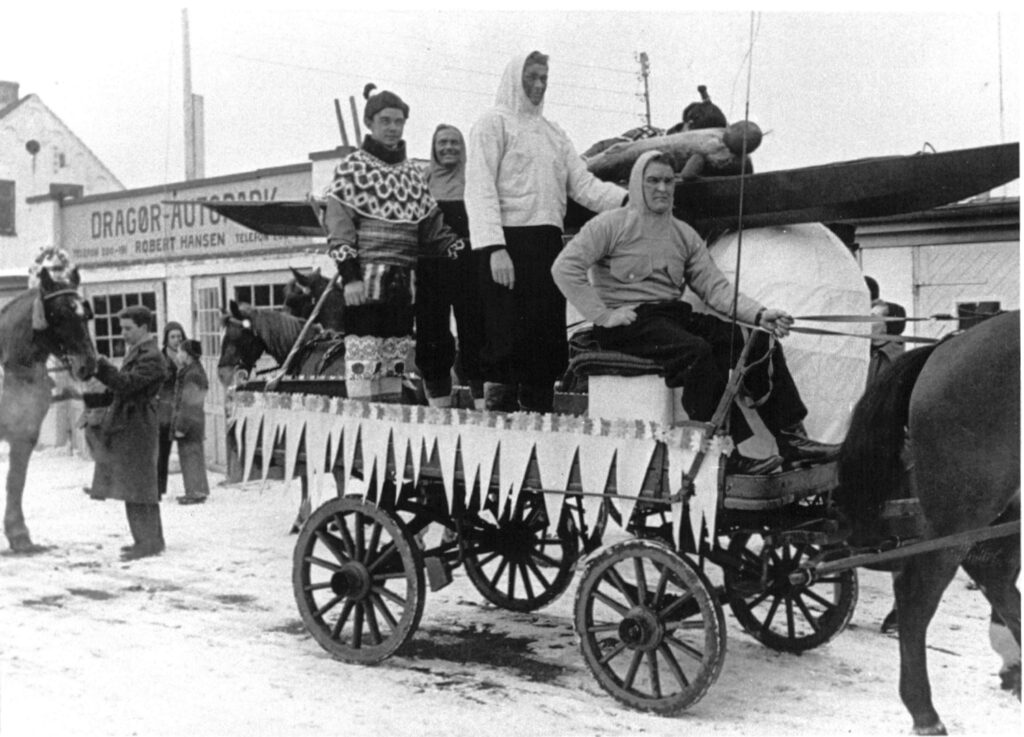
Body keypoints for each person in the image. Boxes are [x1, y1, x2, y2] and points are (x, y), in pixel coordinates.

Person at [552, 151, 839, 474]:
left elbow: (714, 287)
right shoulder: (608, 225)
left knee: (757, 342)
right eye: (653, 181)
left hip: (671, 316)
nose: (662, 188)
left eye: (668, 181)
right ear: (636, 184)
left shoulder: (683, 234)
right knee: (696, 353)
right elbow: (564, 268)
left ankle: (792, 440)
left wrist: (759, 315)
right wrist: (604, 315)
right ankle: (722, 452)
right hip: (628, 322)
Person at [465, 51, 627, 413]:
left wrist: (630, 202)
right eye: (531, 78)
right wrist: (494, 248)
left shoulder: (554, 133)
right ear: (514, 78)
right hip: (506, 245)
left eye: (543, 79)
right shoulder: (492, 124)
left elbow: (583, 185)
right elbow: (479, 188)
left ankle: (540, 426)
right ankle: (498, 428)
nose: (538, 86)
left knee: (543, 338)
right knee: (504, 340)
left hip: (546, 245)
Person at [322, 84, 463, 401]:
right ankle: (362, 435)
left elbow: (432, 225)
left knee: (393, 365)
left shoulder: (412, 174)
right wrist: (350, 276)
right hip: (365, 286)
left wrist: (461, 248)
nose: (392, 128)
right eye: (385, 120)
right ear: (370, 122)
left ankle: (386, 441)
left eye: (398, 121)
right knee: (363, 363)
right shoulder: (352, 168)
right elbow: (339, 224)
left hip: (403, 286)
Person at [86, 305, 167, 560]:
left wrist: (101, 366)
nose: (122, 333)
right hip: (133, 421)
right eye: (121, 328)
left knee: (139, 484)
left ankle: (148, 542)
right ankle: (150, 540)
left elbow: (128, 384)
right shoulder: (139, 351)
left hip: (139, 423)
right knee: (136, 483)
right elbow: (123, 386)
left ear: (144, 328)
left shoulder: (151, 355)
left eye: (128, 328)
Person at [415, 123, 486, 409]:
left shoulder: (476, 180)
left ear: (463, 147)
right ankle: (439, 409)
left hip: (470, 267)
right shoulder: (423, 180)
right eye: (442, 142)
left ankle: (483, 406)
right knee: (432, 336)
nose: (448, 147)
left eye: (455, 142)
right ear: (434, 148)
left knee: (476, 332)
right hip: (431, 268)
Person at [172, 339, 211, 505]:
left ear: (187, 355)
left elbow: (189, 403)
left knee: (190, 457)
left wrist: (181, 426)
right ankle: (198, 490)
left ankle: (194, 492)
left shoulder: (191, 374)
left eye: (180, 351)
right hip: (195, 421)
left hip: (190, 423)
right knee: (193, 455)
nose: (178, 355)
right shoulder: (193, 371)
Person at [156, 321, 185, 499]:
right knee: (162, 450)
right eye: (172, 337)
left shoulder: (187, 355)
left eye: (179, 336)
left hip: (183, 409)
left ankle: (194, 488)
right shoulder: (160, 358)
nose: (176, 340)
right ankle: (159, 489)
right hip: (165, 410)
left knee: (189, 449)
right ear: (166, 339)